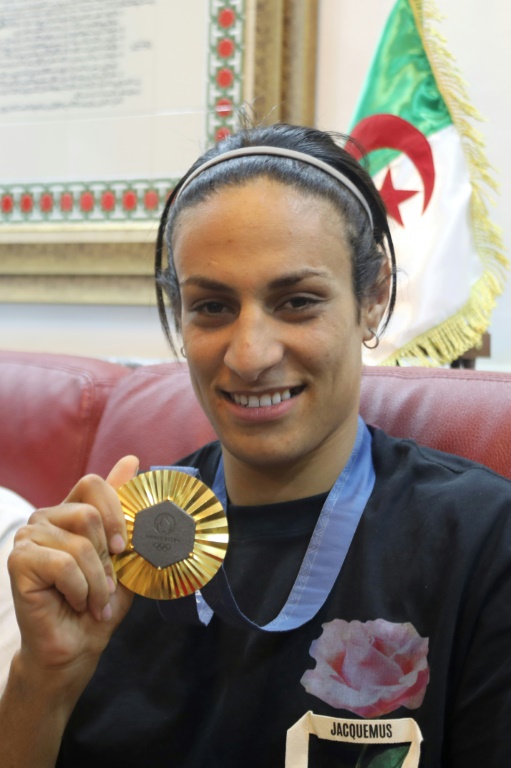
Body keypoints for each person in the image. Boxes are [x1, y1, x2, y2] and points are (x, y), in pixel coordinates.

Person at [2, 122, 511, 768]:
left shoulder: (481, 541)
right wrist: (42, 679)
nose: (249, 355)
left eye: (296, 301)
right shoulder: (119, 544)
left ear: (373, 294)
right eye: (212, 307)